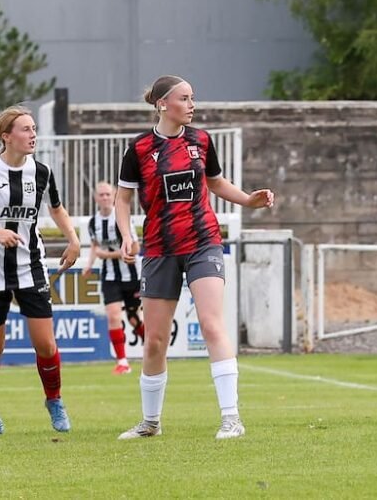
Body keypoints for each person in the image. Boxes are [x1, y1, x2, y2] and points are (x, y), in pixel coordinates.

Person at [114, 74, 275, 441]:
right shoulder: (138, 148)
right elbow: (123, 200)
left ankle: (232, 418)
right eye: (185, 98)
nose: (192, 105)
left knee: (211, 323)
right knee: (154, 340)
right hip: (158, 248)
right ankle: (150, 423)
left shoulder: (201, 140)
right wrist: (126, 235)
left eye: (192, 98)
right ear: (162, 105)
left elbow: (216, 183)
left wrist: (249, 199)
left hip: (203, 242)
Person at [0, 105, 81, 435]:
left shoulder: (42, 172)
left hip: (31, 267)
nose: (33, 135)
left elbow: (56, 208)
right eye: (25, 129)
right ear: (6, 136)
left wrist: (73, 239)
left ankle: (54, 400)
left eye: (34, 128)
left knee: (46, 344)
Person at [83, 181, 144, 375]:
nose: (105, 198)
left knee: (134, 319)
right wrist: (89, 265)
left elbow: (135, 248)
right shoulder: (93, 223)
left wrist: (108, 255)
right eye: (101, 195)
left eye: (108, 194)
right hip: (109, 277)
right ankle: (123, 362)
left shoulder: (122, 218)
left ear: (114, 196)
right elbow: (95, 246)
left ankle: (155, 349)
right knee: (113, 315)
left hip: (131, 275)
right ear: (96, 198)